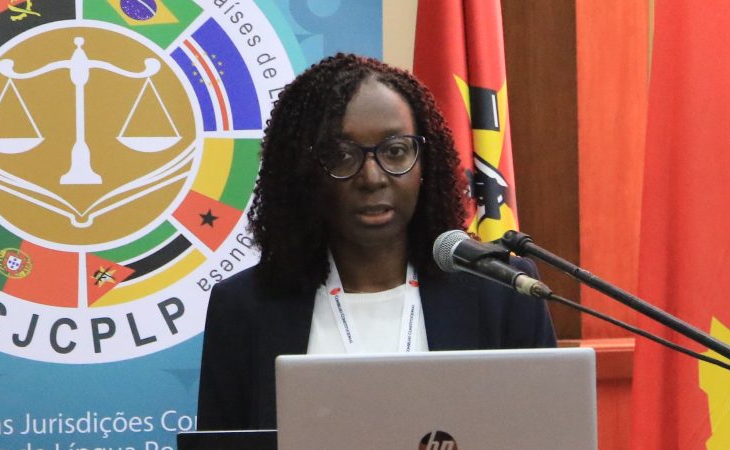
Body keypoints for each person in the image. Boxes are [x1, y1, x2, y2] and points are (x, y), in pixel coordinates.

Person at [195, 53, 556, 431]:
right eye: (342, 155)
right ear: (304, 171)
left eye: (395, 151)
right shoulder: (245, 308)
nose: (372, 178)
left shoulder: (503, 293)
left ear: (425, 163)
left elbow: (548, 434)